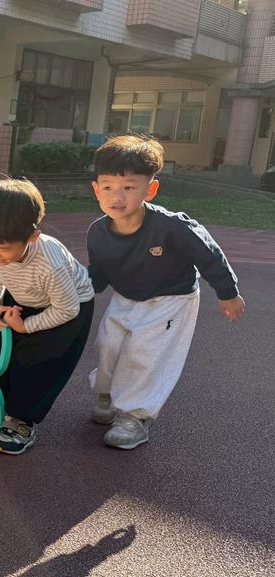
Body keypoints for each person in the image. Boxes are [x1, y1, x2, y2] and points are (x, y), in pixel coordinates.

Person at [87, 135, 245, 450]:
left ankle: (134, 416)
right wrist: (77, 293)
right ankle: (107, 393)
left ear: (151, 189)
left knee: (144, 353)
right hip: (127, 296)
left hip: (171, 299)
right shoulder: (98, 232)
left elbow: (208, 254)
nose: (117, 196)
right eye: (108, 187)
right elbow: (99, 275)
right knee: (107, 345)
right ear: (96, 190)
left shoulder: (171, 227)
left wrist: (227, 292)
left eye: (128, 187)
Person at [0, 179, 95, 455]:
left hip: (67, 306)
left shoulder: (49, 263)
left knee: (37, 364)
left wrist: (26, 326)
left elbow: (68, 309)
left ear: (32, 237)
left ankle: (21, 421)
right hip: (24, 296)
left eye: (4, 250)